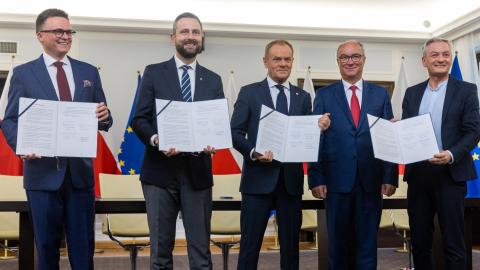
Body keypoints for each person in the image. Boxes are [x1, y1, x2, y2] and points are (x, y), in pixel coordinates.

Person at [1, 8, 112, 270]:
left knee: (83, 250)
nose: (65, 36)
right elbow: (10, 121)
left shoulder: (89, 72)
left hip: (80, 177)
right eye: (58, 31)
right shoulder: (24, 74)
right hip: (42, 176)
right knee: (47, 249)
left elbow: (104, 118)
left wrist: (105, 116)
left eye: (68, 31)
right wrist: (23, 146)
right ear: (40, 35)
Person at [132, 12, 223, 270]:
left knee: (201, 254)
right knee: (160, 253)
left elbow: (215, 123)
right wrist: (156, 139)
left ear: (202, 37)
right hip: (159, 173)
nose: (190, 37)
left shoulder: (213, 79)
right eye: (184, 32)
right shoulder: (153, 73)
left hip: (198, 173)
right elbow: (139, 119)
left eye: (195, 32)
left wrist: (212, 140)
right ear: (173, 37)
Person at [231, 39, 330, 270]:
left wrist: (318, 127)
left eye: (287, 59)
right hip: (257, 181)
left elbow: (306, 137)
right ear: (266, 62)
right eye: (277, 59)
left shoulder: (303, 97)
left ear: (292, 61)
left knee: (291, 250)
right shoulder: (249, 93)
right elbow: (235, 133)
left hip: (290, 183)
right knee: (249, 246)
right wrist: (253, 153)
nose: (282, 63)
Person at [308, 40, 398, 270]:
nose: (350, 61)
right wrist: (316, 178)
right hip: (336, 183)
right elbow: (314, 138)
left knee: (368, 246)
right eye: (344, 57)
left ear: (364, 60)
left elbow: (387, 137)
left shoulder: (380, 95)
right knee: (337, 247)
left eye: (355, 56)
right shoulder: (324, 95)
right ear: (337, 62)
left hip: (371, 181)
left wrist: (390, 176)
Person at [402, 37, 480, 270]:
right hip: (419, 176)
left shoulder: (466, 90)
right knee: (420, 241)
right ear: (424, 60)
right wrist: (397, 130)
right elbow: (408, 130)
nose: (441, 59)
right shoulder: (412, 93)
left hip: (451, 174)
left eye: (445, 54)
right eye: (434, 55)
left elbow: (473, 130)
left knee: (454, 243)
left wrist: (451, 154)